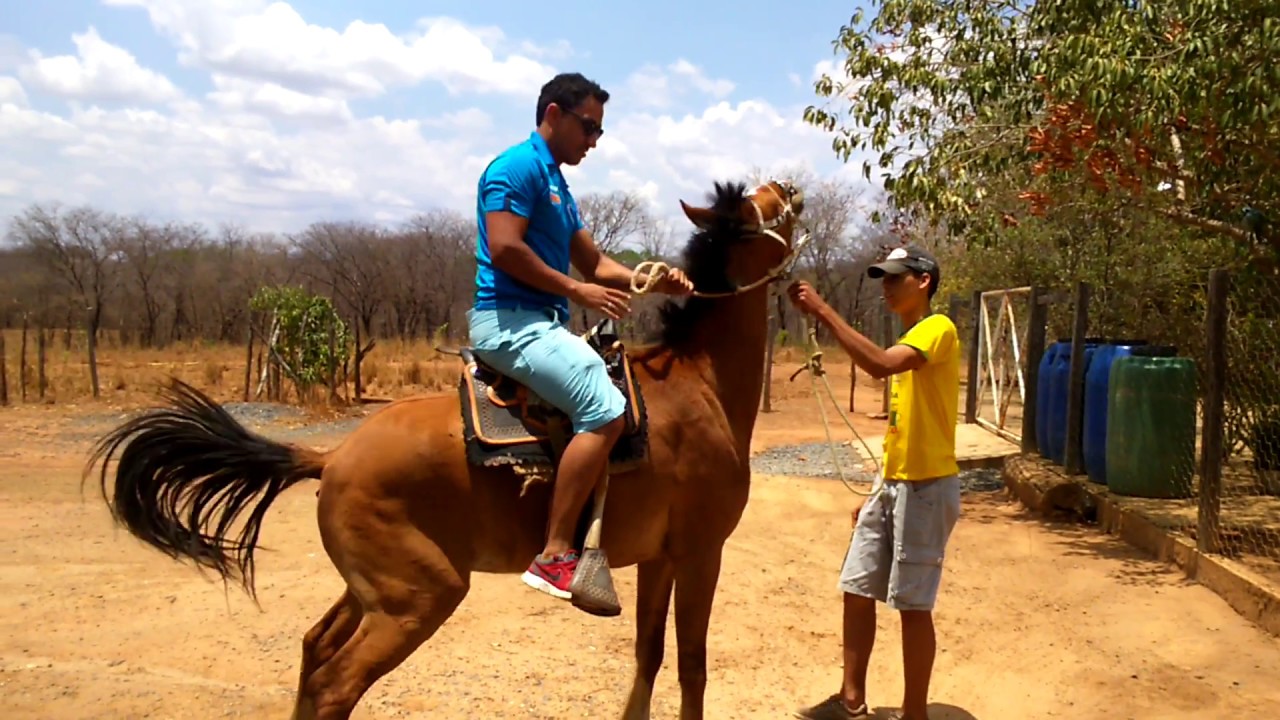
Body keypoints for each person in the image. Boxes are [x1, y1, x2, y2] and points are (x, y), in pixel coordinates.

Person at [466, 72, 692, 604]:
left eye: (599, 132)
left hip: (539, 321)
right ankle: (555, 554)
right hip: (508, 320)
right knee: (605, 407)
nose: (593, 141)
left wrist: (654, 279)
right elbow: (504, 248)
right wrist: (577, 289)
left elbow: (596, 263)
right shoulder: (515, 168)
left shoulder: (557, 184)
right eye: (588, 127)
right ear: (552, 114)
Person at [787, 245, 962, 720]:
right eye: (883, 278)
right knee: (857, 585)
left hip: (926, 488)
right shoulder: (911, 336)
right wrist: (880, 485)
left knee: (912, 603)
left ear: (923, 281)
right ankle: (851, 701)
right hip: (896, 484)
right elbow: (903, 426)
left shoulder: (936, 330)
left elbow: (879, 364)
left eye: (895, 278)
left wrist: (824, 311)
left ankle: (915, 714)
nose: (886, 286)